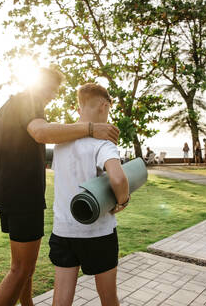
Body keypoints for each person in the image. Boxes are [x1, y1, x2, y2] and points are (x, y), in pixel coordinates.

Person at [0, 68, 120, 306]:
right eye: (52, 89)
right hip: (24, 196)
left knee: (24, 267)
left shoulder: (5, 109)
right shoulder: (28, 102)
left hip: (6, 193)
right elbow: (40, 132)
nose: (54, 95)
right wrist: (91, 129)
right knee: (20, 270)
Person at [50, 83, 130, 306]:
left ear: (79, 108)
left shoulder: (61, 141)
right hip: (98, 234)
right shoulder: (103, 142)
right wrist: (123, 200)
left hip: (63, 231)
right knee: (108, 300)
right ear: (105, 106)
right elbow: (118, 179)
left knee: (61, 302)